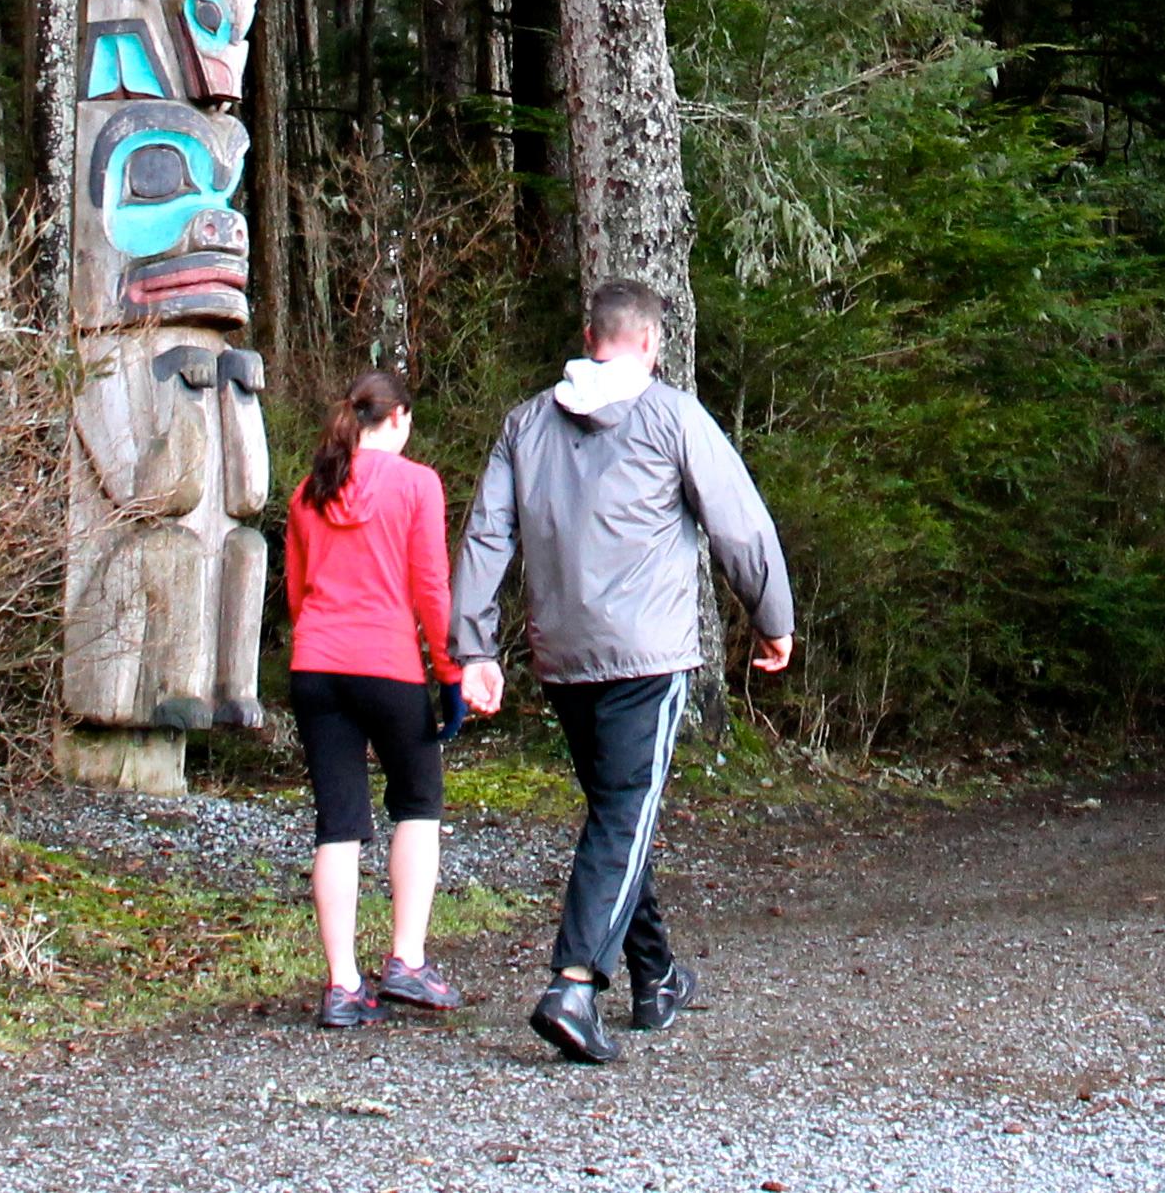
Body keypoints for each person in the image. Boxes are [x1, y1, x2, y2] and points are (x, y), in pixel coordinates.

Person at [449, 278, 795, 1065]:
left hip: (564, 655)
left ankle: (658, 973)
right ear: (650, 343)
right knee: (623, 816)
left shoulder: (525, 424)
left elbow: (484, 539)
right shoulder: (671, 415)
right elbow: (739, 523)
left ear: (588, 333)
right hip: (647, 654)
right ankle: (573, 984)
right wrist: (773, 618)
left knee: (617, 814)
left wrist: (473, 646)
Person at [286, 369, 468, 1028]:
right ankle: (406, 961)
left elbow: (298, 589)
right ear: (398, 420)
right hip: (387, 666)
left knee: (338, 823)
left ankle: (340, 986)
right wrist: (451, 674)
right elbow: (431, 590)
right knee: (417, 804)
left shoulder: (311, 490)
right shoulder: (418, 485)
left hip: (317, 665)